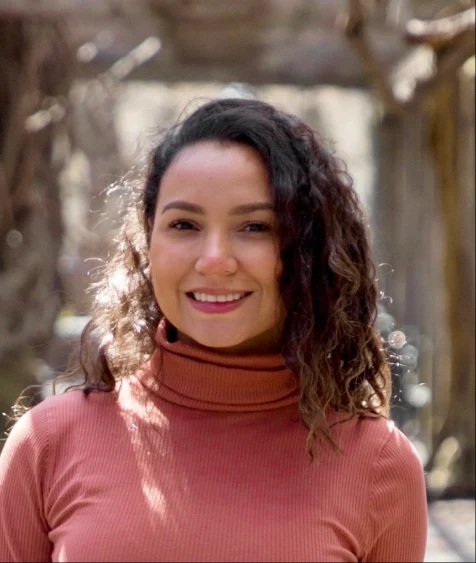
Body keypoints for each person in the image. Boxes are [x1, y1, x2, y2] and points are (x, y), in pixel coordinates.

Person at [0, 97, 428, 562]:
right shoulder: (48, 443)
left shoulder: (378, 464)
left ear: (309, 249)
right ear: (149, 240)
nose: (214, 260)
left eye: (254, 227)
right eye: (184, 224)